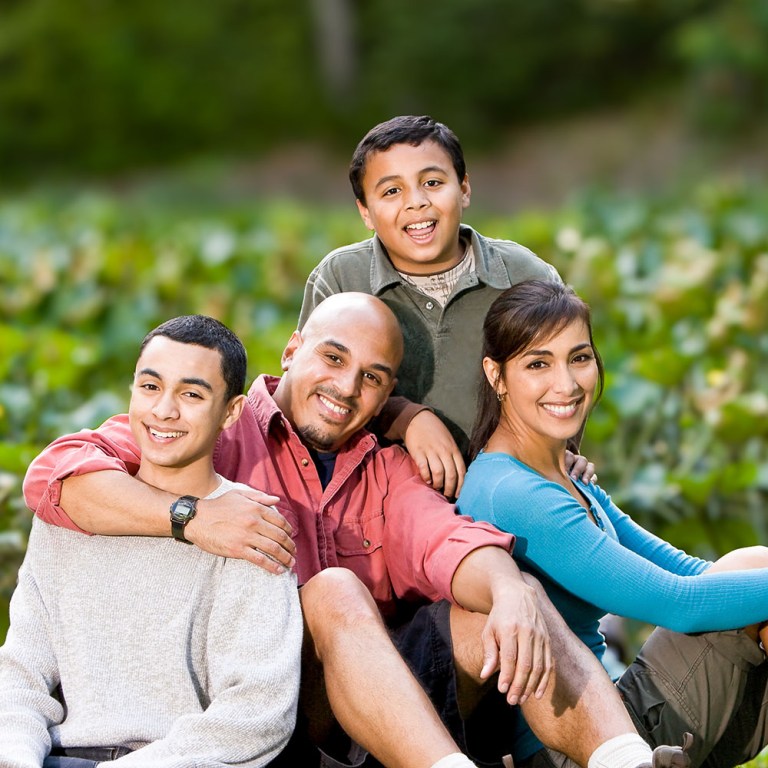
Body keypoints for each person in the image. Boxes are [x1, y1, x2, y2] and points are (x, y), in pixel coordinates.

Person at [23, 294, 687, 768]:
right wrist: (191, 517)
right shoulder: (213, 423)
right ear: (293, 351)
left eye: (372, 378)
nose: (346, 388)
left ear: (389, 392)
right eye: (333, 359)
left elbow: (444, 543)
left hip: (379, 698)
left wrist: (508, 588)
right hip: (268, 704)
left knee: (515, 599)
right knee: (335, 588)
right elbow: (55, 475)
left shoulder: (388, 467)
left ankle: (624, 759)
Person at [457, 279, 768, 768]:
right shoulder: (514, 492)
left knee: (751, 565)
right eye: (538, 364)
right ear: (496, 375)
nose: (567, 384)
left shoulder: (561, 470)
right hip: (579, 743)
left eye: (579, 358)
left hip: (617, 706)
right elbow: (676, 603)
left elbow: (684, 571)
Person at [1, 315, 302, 767]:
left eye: (192, 394)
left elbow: (256, 714)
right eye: (149, 387)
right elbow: (20, 674)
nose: (164, 410)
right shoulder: (73, 512)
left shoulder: (249, 527)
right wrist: (17, 758)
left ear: (231, 412)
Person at [298, 114, 566, 497]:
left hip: (510, 492)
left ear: (464, 189)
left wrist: (560, 451)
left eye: (433, 183)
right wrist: (405, 416)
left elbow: (562, 382)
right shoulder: (341, 278)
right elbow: (311, 398)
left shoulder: (525, 275)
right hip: (375, 498)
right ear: (365, 212)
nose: (416, 202)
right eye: (391, 192)